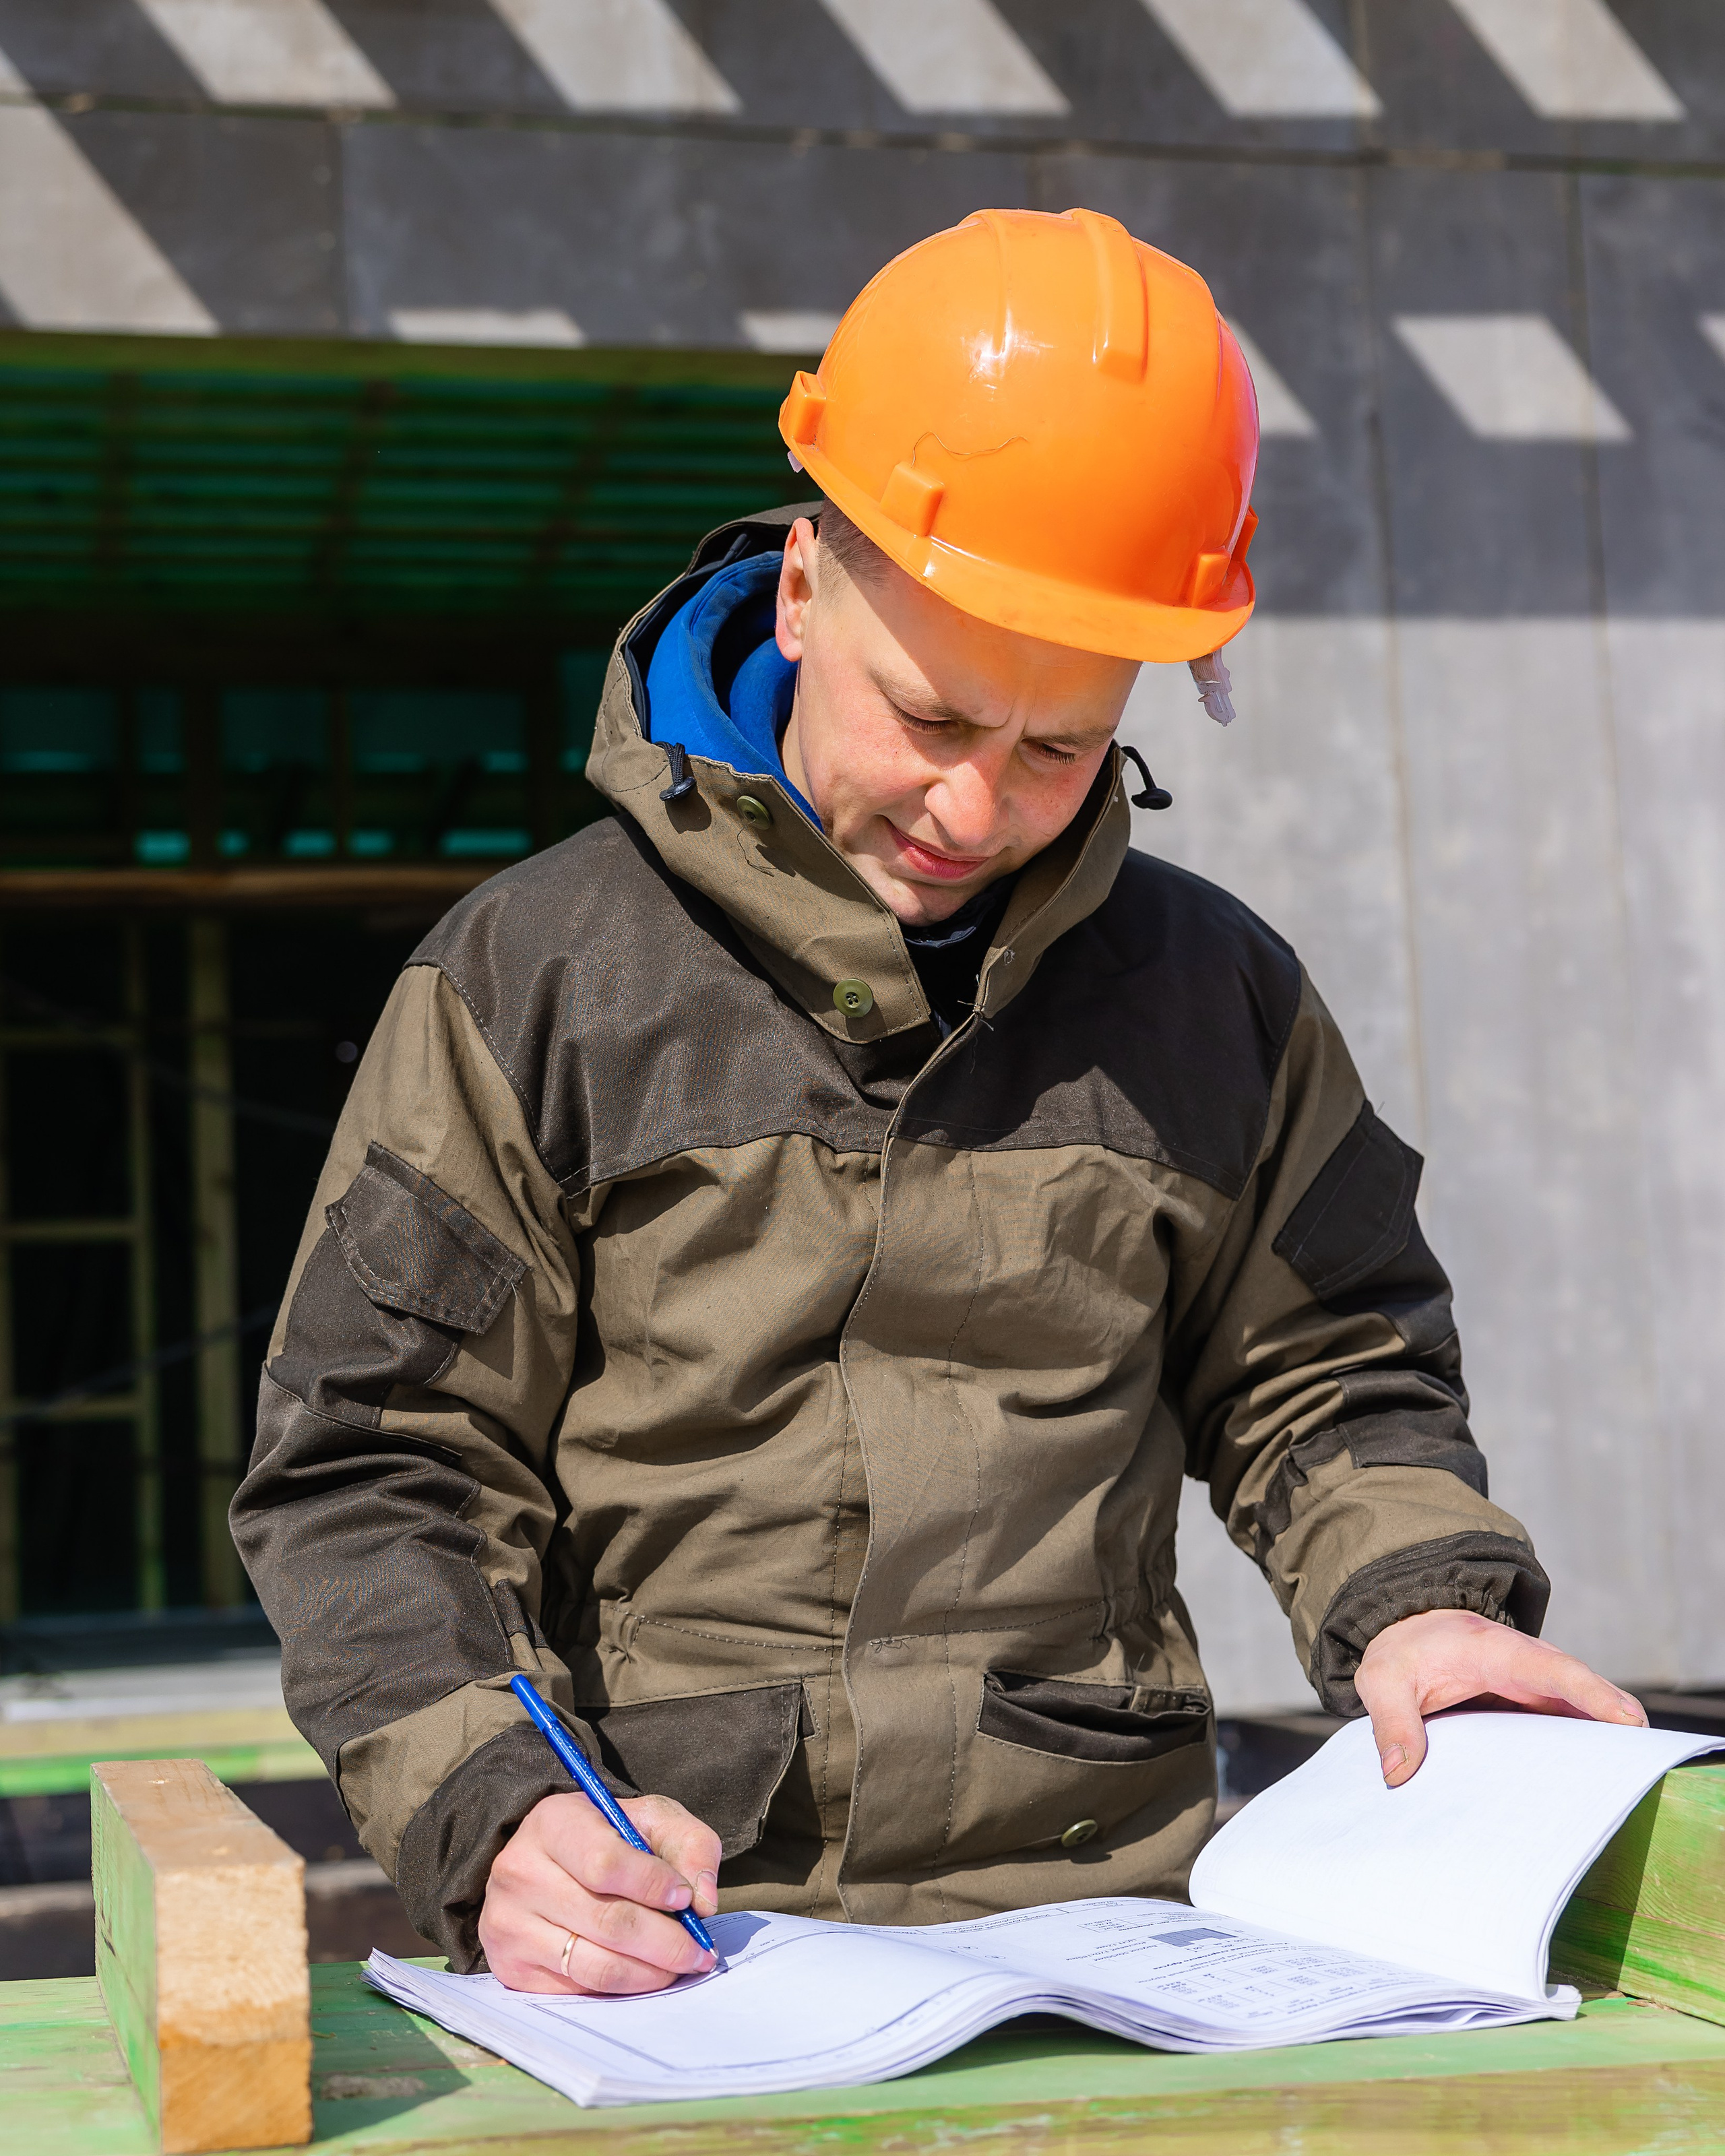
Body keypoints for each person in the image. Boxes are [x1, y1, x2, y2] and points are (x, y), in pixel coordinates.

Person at [232, 209, 1645, 2001]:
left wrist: (1424, 1602)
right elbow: (380, 1464)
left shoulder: (1214, 999)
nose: (972, 810)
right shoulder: (537, 981)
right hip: (678, 1946)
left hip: (1115, 1942)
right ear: (806, 587)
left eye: (1057, 748)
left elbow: (1329, 1370)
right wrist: (499, 1814)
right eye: (929, 718)